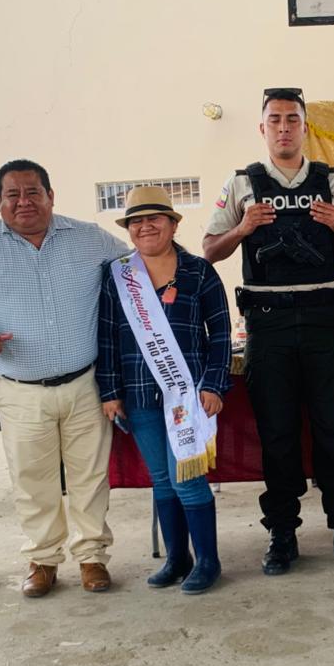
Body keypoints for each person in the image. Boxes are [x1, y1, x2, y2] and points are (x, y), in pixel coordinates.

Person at [202, 87, 334, 575]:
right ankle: (282, 533)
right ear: (263, 128)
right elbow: (210, 250)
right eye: (275, 120)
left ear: (304, 126)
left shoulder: (333, 181)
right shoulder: (241, 184)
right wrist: (243, 229)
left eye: (292, 119)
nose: (284, 128)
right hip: (269, 323)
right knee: (277, 435)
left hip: (326, 322)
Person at [0, 159, 128, 597]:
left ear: (50, 196)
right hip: (20, 390)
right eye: (13, 195)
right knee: (31, 480)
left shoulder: (89, 238)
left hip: (85, 384)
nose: (24, 202)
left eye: (33, 192)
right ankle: (43, 560)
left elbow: (136, 267)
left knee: (90, 477)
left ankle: (92, 557)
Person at [97, 185, 231, 593]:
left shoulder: (199, 271)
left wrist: (214, 384)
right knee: (161, 479)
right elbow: (106, 337)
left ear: (173, 224)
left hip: (187, 397)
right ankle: (177, 559)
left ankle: (207, 561)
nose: (145, 226)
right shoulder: (117, 275)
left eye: (154, 218)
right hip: (138, 394)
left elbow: (221, 333)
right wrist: (109, 392)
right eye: (136, 221)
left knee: (186, 478)